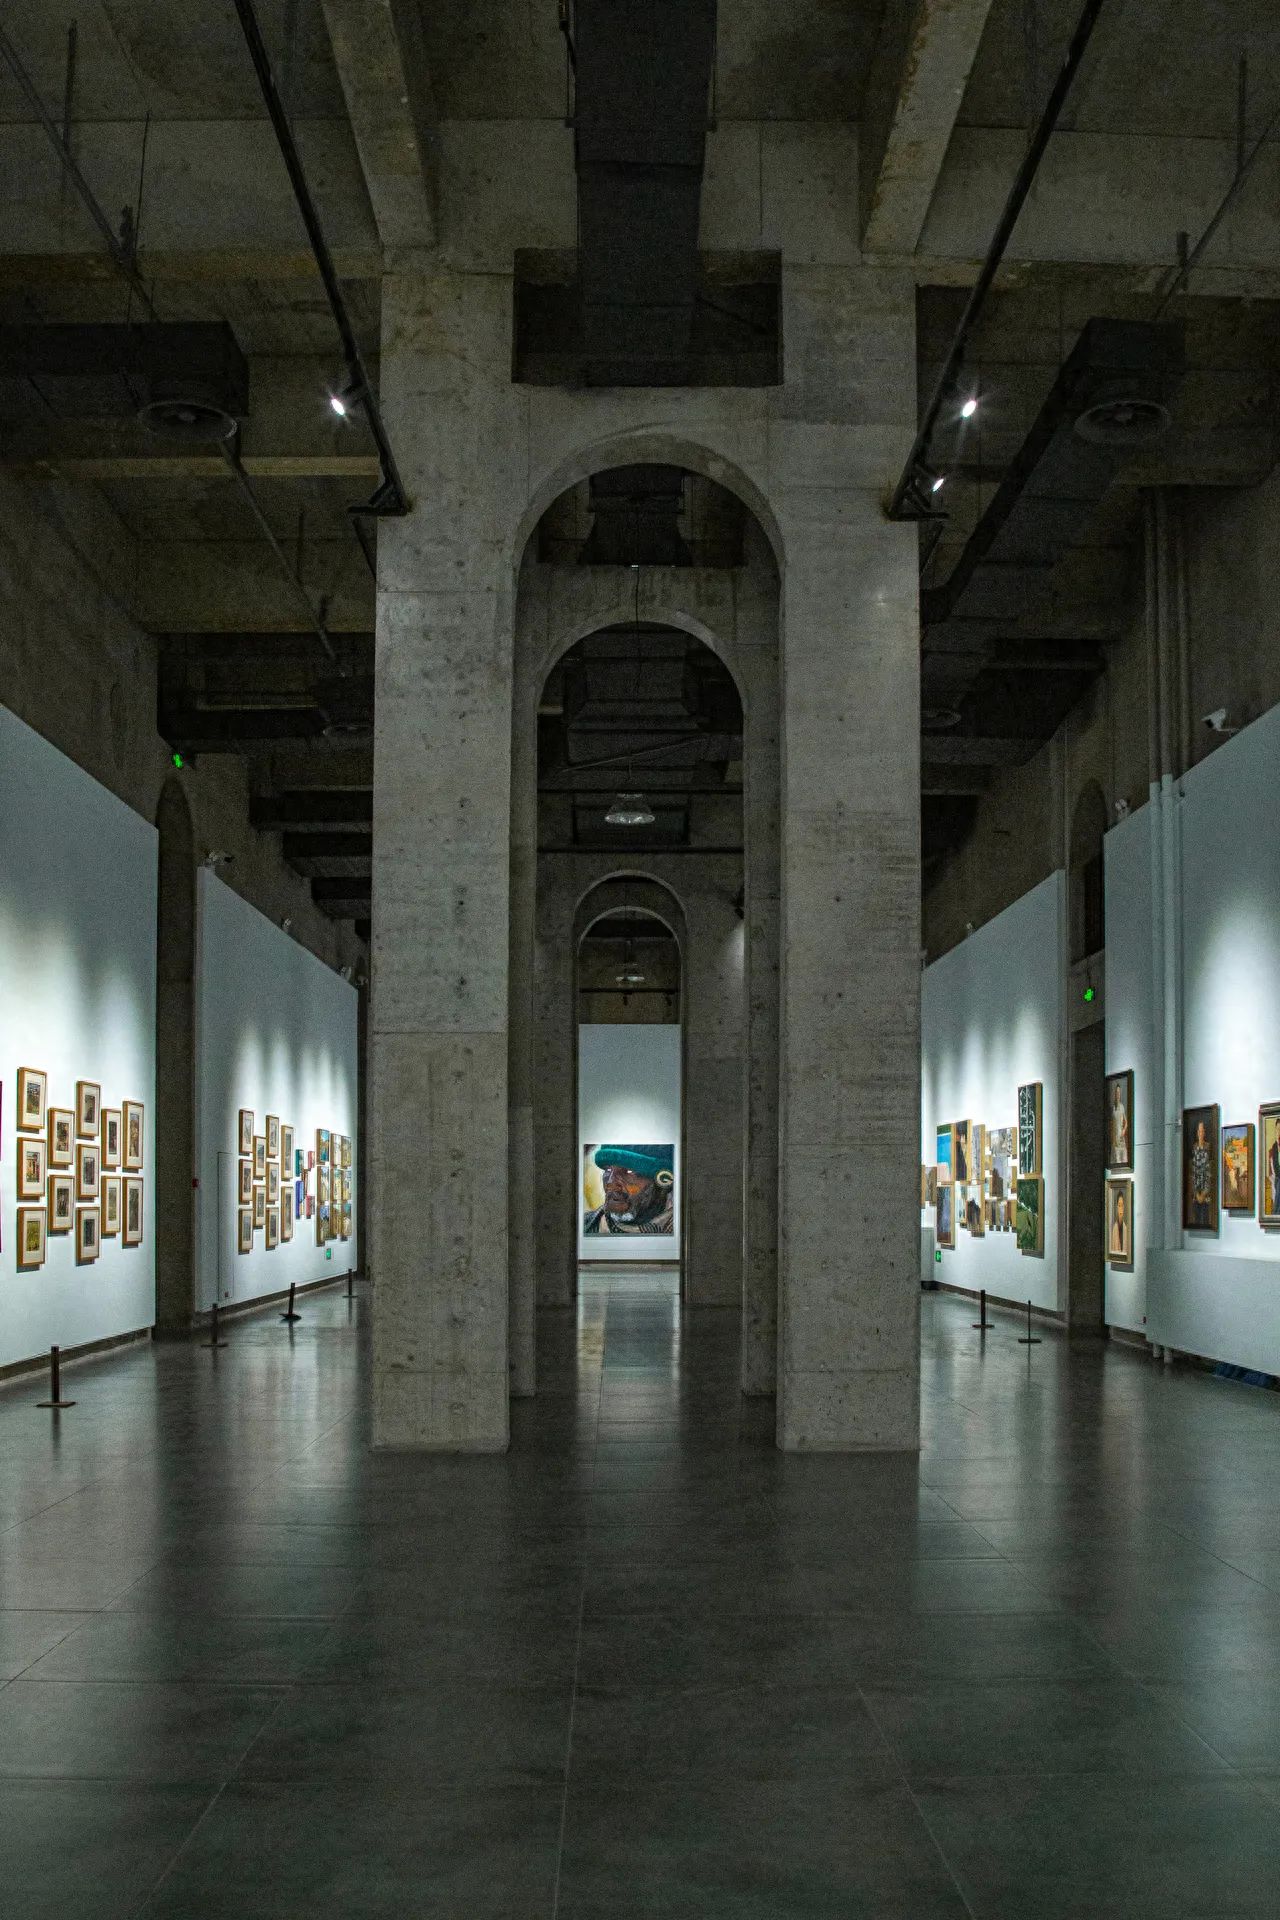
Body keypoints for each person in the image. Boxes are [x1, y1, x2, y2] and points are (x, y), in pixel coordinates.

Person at [584, 1144, 675, 1235]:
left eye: (629, 1171)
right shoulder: (583, 1227)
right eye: (608, 1170)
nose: (610, 1183)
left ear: (664, 1181)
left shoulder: (683, 1229)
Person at [1189, 1119, 1213, 1230]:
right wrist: (1197, 1193)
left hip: (1206, 1192)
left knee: (1206, 1218)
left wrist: (1204, 1193)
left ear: (1205, 1132)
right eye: (1199, 1131)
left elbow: (1209, 1173)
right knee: (1197, 1218)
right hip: (1196, 1192)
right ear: (1197, 1133)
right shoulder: (1194, 1148)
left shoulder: (1208, 1147)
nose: (1201, 1133)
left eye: (1202, 1131)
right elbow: (1193, 1172)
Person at [1110, 1083, 1129, 1167]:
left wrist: (1124, 1131)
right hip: (1115, 1138)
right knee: (1116, 1160)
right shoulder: (1112, 1108)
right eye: (1116, 1093)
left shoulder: (1122, 1107)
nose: (1117, 1095)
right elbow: (1111, 1125)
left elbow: (1126, 1122)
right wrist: (1113, 1138)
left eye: (1119, 1093)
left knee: (1123, 1159)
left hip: (1121, 1137)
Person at [1110, 1187, 1127, 1258]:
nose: (1121, 1209)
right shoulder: (1114, 1229)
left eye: (1122, 1206)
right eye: (1119, 1205)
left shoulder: (1126, 1229)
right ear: (1117, 1207)